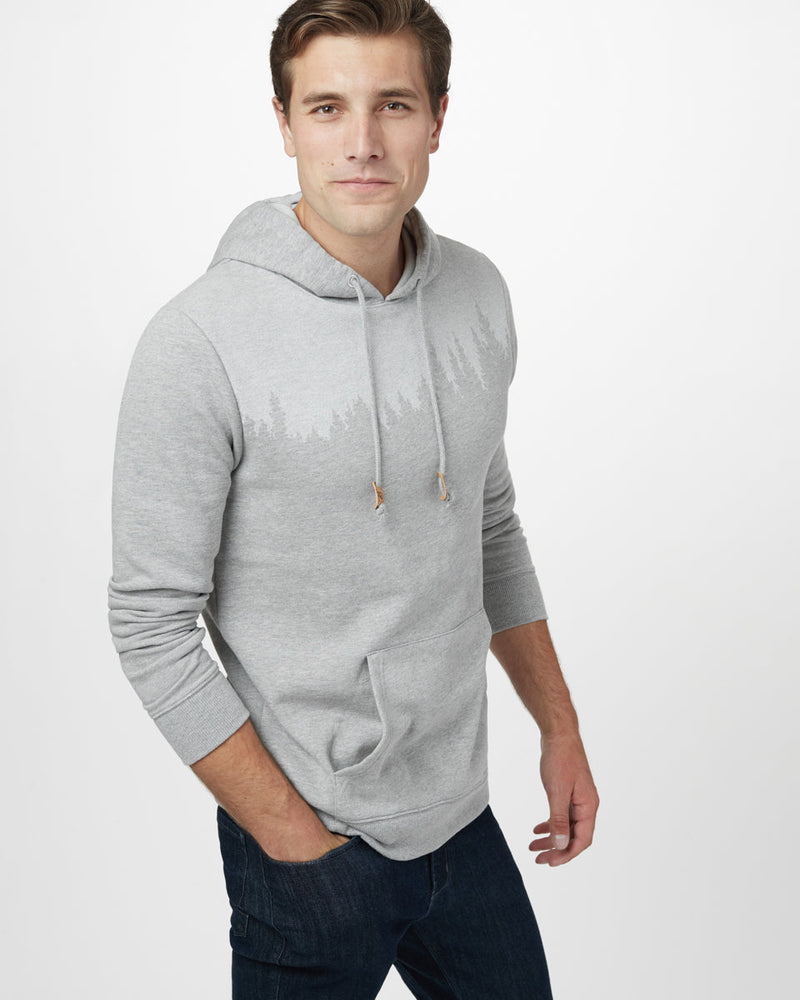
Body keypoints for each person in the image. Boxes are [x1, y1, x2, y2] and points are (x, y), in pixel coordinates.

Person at [107, 1, 599, 996]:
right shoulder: (199, 341)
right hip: (309, 841)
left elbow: (487, 523)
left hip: (461, 819)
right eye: (327, 107)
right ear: (284, 124)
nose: (363, 141)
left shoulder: (477, 294)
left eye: (394, 105)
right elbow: (149, 623)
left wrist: (559, 727)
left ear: (438, 119)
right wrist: (291, 836)